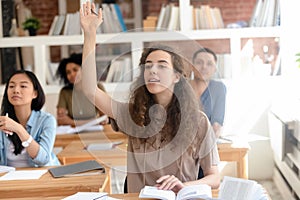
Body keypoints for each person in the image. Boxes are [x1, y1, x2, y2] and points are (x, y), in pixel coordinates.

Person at [79, 1, 220, 193]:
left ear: (177, 76)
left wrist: (183, 186)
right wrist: (90, 34)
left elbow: (214, 177)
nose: (153, 70)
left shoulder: (199, 121)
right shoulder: (132, 114)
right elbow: (89, 90)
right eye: (148, 65)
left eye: (162, 65)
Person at [0, 70, 60, 167]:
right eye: (11, 86)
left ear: (35, 93)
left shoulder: (47, 120)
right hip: (9, 179)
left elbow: (43, 159)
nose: (16, 90)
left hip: (43, 177)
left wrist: (19, 129)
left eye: (23, 86)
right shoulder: (2, 121)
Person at [56, 53, 108, 126]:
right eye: (68, 72)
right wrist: (93, 122)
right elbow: (61, 120)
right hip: (74, 133)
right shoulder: (65, 92)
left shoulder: (97, 87)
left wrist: (72, 122)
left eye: (75, 70)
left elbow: (105, 117)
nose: (72, 74)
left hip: (95, 131)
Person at [190, 47, 227, 138]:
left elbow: (217, 122)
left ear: (215, 69)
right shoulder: (181, 87)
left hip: (207, 141)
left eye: (209, 64)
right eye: (199, 62)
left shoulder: (218, 88)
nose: (204, 67)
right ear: (192, 66)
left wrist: (216, 129)